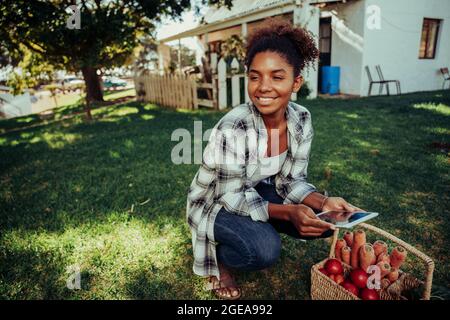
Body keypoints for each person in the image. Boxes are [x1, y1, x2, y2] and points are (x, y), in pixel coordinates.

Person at [186, 18, 361, 300]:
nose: (263, 87)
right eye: (255, 76)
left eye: (277, 77)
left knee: (323, 222)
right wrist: (288, 213)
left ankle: (253, 228)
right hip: (214, 201)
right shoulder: (235, 126)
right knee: (264, 249)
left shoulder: (302, 118)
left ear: (296, 82)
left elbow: (291, 180)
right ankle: (219, 257)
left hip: (255, 190)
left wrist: (323, 203)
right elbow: (231, 195)